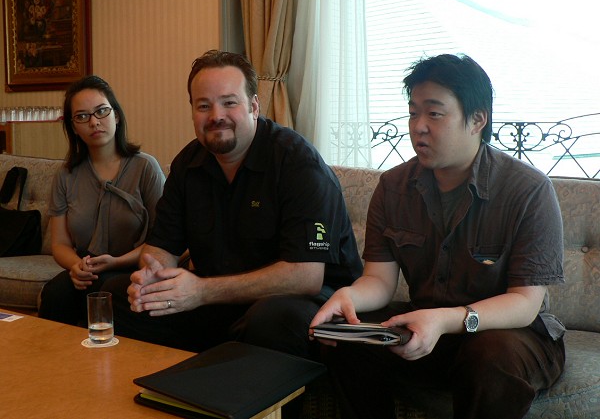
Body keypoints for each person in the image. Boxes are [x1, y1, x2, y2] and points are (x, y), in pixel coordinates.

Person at [310, 54, 565, 419]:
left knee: (490, 355)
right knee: (348, 338)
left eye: (434, 113)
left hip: (512, 332)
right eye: (413, 113)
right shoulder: (393, 187)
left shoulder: (527, 190)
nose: (419, 127)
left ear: (477, 120)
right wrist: (348, 296)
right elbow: (379, 281)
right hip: (429, 324)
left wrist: (445, 320)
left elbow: (524, 304)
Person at [104, 49, 363, 360]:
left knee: (270, 319)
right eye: (204, 106)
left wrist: (201, 292)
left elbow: (305, 277)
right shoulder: (187, 164)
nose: (216, 116)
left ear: (253, 106)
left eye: (229, 102)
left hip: (306, 302)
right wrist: (152, 277)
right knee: (117, 296)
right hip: (220, 299)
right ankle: (168, 384)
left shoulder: (297, 162)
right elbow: (160, 247)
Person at [38, 75, 165, 326]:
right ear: (74, 127)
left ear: (116, 115)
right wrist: (77, 266)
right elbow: (60, 244)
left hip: (133, 265)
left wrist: (116, 262)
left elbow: (163, 239)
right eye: (82, 116)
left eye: (101, 111)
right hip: (88, 268)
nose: (94, 122)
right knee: (55, 294)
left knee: (110, 292)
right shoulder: (66, 175)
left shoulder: (145, 167)